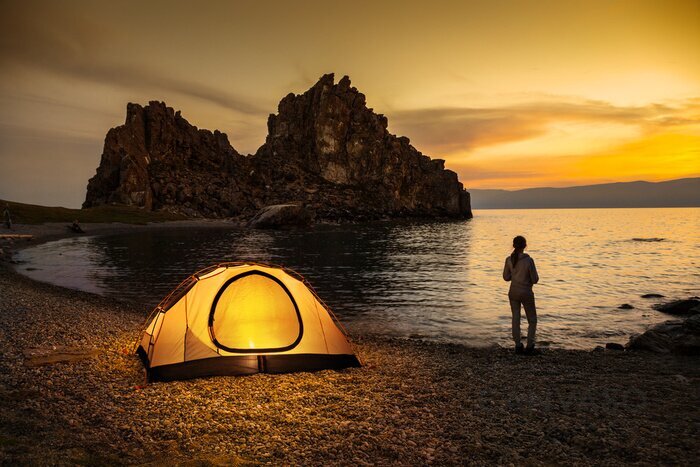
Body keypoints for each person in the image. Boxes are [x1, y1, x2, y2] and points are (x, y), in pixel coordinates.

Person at [503, 235, 539, 355]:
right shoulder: (529, 260)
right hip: (526, 292)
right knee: (532, 320)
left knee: (516, 318)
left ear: (514, 246)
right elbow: (535, 280)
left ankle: (518, 346)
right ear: (525, 246)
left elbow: (506, 277)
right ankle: (530, 346)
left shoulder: (509, 259)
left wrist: (515, 274)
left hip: (513, 292)